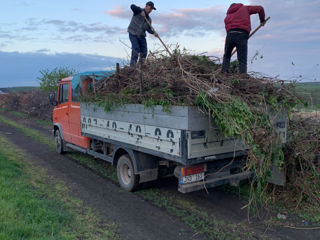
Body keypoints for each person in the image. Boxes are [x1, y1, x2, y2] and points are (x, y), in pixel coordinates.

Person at [221, 3, 266, 74]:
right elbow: (260, 8)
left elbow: (226, 26)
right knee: (242, 59)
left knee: (227, 55)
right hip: (242, 34)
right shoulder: (245, 8)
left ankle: (224, 72)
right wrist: (262, 20)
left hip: (230, 35)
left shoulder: (228, 16)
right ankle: (242, 76)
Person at [128, 1, 159, 67]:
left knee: (144, 51)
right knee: (136, 49)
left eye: (152, 9)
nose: (150, 10)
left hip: (141, 36)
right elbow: (132, 6)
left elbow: (148, 29)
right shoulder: (137, 11)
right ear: (146, 6)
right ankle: (132, 67)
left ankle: (140, 67)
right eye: (150, 8)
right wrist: (140, 11)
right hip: (133, 34)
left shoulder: (149, 19)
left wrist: (154, 33)